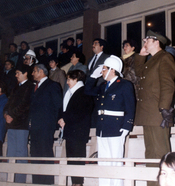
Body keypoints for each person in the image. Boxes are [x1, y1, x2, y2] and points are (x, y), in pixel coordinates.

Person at [85, 55, 135, 186]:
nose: (102, 71)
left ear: (113, 70)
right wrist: (92, 77)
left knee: (115, 162)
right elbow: (87, 90)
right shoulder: (103, 86)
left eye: (104, 69)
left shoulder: (124, 84)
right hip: (102, 127)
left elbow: (130, 106)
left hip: (116, 127)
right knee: (103, 162)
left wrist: (127, 126)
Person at [134, 30, 175, 186]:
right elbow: (139, 73)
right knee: (150, 153)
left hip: (158, 113)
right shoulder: (151, 60)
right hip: (148, 113)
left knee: (160, 153)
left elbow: (167, 84)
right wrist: (141, 54)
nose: (144, 43)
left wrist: (164, 109)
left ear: (156, 41)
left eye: (147, 41)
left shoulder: (165, 57)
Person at [58, 70, 93, 186]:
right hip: (71, 131)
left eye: (69, 79)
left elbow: (80, 112)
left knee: (77, 160)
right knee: (71, 160)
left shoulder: (84, 92)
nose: (67, 82)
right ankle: (74, 183)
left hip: (78, 132)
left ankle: (78, 183)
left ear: (76, 79)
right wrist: (62, 118)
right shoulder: (72, 92)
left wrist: (65, 118)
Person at [29, 64, 62, 184]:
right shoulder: (35, 87)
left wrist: (54, 122)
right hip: (35, 127)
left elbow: (58, 105)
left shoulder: (52, 85)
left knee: (45, 153)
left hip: (45, 126)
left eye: (34, 71)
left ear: (41, 72)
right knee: (35, 154)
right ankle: (37, 182)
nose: (32, 73)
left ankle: (47, 182)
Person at [3, 65, 34, 183]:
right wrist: (6, 114)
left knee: (20, 154)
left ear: (25, 73)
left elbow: (25, 104)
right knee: (10, 153)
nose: (16, 75)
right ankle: (10, 180)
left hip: (21, 124)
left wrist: (12, 115)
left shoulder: (30, 86)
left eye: (18, 73)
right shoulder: (15, 87)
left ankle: (20, 182)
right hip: (11, 125)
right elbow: (8, 103)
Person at [87, 38, 110, 127]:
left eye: (96, 43)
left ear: (102, 47)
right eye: (93, 43)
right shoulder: (90, 60)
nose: (93, 45)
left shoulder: (106, 57)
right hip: (91, 89)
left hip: (100, 87)